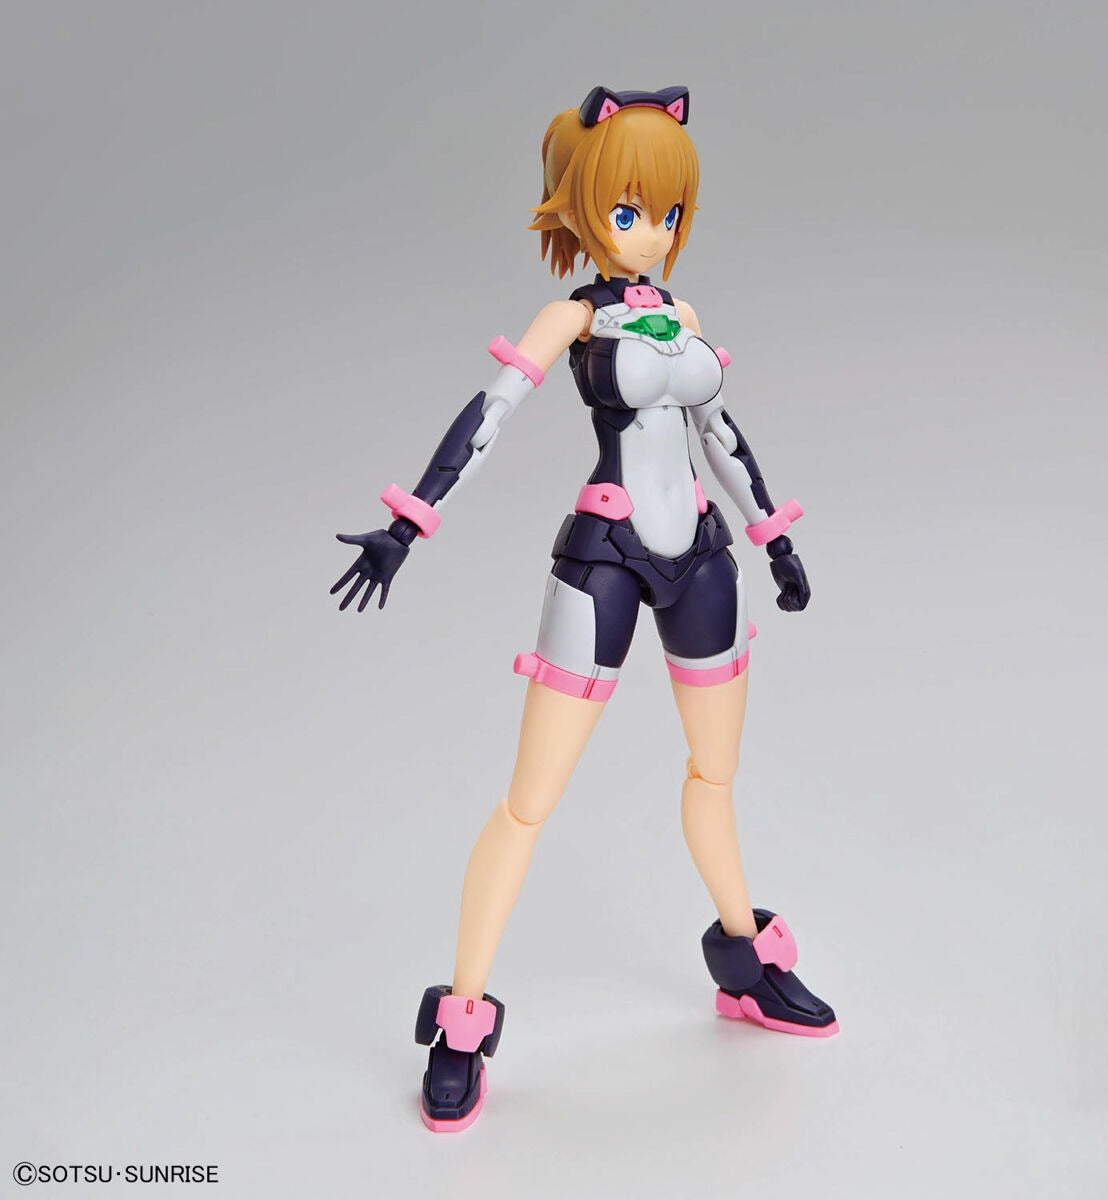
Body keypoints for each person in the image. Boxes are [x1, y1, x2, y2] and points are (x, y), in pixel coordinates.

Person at [331, 85, 838, 1133]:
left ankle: (745, 965)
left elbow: (721, 436)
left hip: (701, 557)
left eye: (667, 214)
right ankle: (461, 1020)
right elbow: (489, 415)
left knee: (714, 775)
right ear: (582, 207)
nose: (650, 233)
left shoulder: (683, 318)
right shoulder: (572, 318)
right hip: (605, 557)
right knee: (530, 801)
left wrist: (773, 537)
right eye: (628, 211)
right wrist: (409, 523)